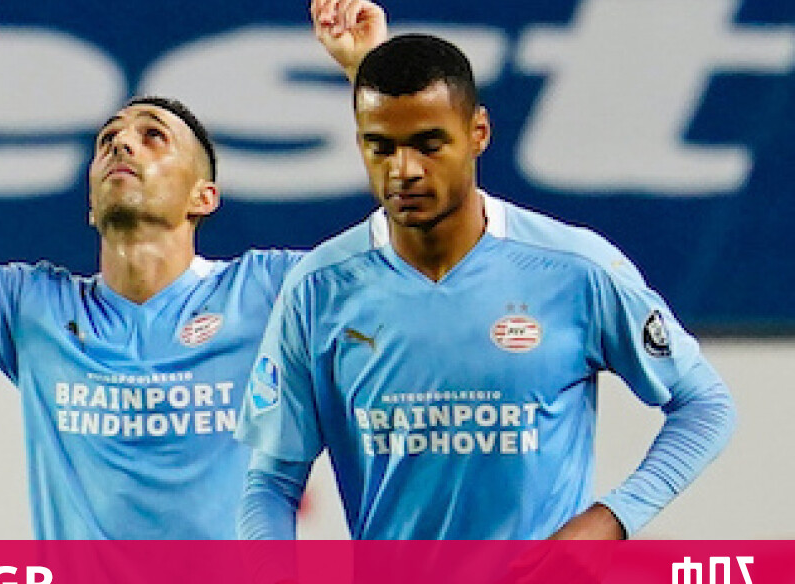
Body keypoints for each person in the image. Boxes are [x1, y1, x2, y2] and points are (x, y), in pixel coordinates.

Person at [235, 10, 737, 548]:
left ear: (478, 133)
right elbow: (271, 483)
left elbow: (705, 405)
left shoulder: (575, 269)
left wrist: (612, 520)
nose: (404, 170)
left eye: (429, 145)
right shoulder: (318, 289)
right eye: (381, 147)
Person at [0, 0, 308, 539]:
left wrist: (362, 71)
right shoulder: (31, 307)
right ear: (91, 205)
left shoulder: (265, 292)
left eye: (153, 136)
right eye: (107, 140)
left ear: (203, 196)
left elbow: (381, 264)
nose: (122, 142)